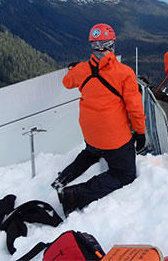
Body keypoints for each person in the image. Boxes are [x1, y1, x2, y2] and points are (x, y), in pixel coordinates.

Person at [51, 23, 146, 216]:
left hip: (91, 133)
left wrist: (74, 68)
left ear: (92, 45)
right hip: (115, 138)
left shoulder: (81, 70)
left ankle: (61, 179)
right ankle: (74, 195)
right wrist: (141, 132)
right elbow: (135, 108)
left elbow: (67, 82)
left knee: (92, 151)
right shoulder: (124, 73)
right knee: (124, 174)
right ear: (112, 45)